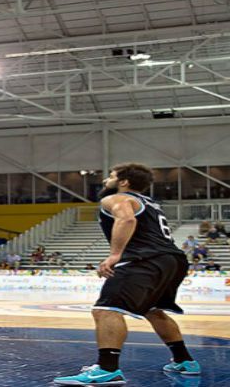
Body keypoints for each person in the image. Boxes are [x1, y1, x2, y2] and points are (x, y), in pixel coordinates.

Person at [54, 163, 199, 385]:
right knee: (153, 310)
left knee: (105, 310)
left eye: (110, 176)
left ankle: (107, 369)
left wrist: (114, 256)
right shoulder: (150, 202)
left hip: (146, 259)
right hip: (173, 259)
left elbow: (127, 219)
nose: (105, 181)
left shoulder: (116, 198)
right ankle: (184, 361)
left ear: (123, 182)